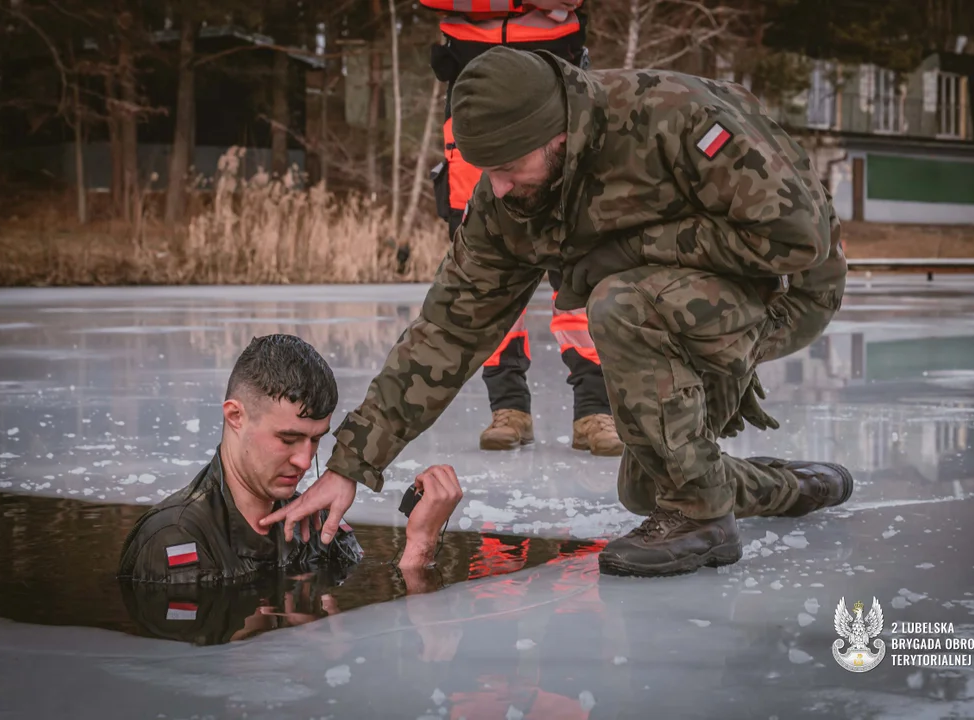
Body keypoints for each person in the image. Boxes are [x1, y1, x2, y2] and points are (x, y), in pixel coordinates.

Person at [262, 48, 852, 578]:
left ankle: (703, 520)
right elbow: (447, 330)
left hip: (787, 288)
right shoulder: (509, 199)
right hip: (683, 291)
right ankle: (789, 487)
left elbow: (796, 238)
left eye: (509, 166)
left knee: (620, 301)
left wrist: (624, 255)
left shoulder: (668, 116)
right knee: (649, 484)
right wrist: (351, 463)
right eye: (485, 170)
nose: (497, 186)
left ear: (557, 135)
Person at [420, 0, 622, 456]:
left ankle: (595, 407)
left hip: (555, 72)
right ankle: (507, 407)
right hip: (472, 80)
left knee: (581, 252)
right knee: (483, 265)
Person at [117, 334, 463, 584]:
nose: (304, 460)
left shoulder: (318, 526)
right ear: (235, 417)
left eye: (316, 440)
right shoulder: (175, 539)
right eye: (288, 438)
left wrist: (421, 541)